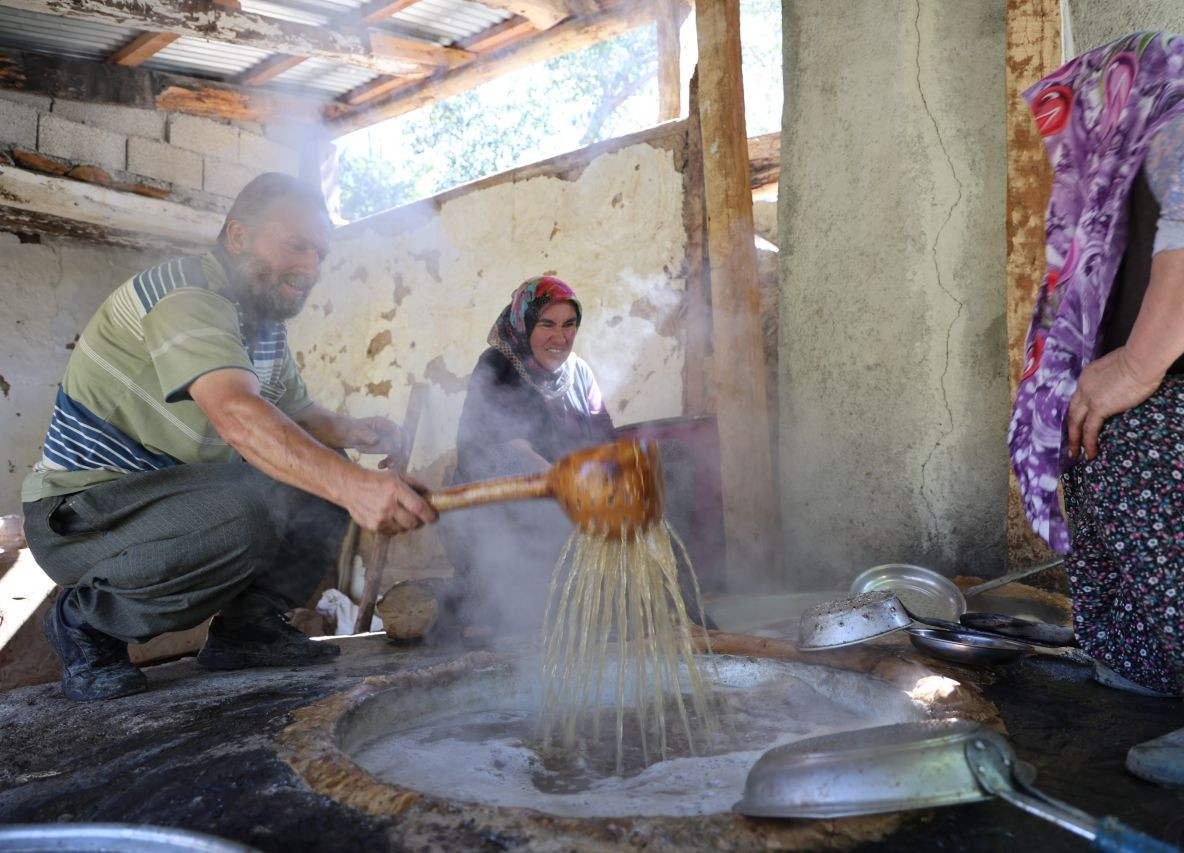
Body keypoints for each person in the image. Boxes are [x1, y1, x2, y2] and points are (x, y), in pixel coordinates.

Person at [21, 173, 437, 702]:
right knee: (249, 510)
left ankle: (248, 629)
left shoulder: (261, 324)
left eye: (319, 254)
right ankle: (85, 625)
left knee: (322, 469)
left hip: (169, 502)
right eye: (295, 246)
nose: (310, 268)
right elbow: (237, 414)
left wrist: (354, 432)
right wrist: (356, 487)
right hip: (83, 515)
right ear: (238, 236)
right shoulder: (185, 292)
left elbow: (294, 411)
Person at [1010, 33, 1184, 787]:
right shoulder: (1149, 173)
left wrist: (1136, 364)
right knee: (1094, 422)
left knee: (1139, 436)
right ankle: (1150, 658)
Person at [439, 276, 707, 636]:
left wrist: (628, 479)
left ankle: (665, 596)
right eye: (546, 324)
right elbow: (509, 452)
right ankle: (531, 605)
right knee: (522, 469)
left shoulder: (577, 372)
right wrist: (573, 487)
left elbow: (607, 440)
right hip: (509, 502)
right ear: (524, 323)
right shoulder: (498, 365)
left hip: (578, 491)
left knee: (670, 458)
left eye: (569, 325)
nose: (560, 337)